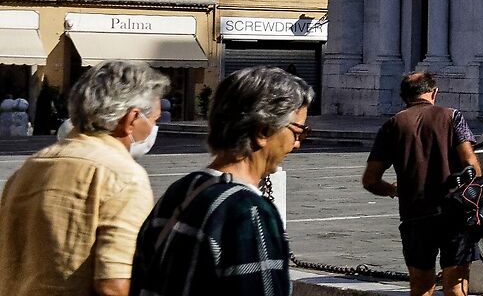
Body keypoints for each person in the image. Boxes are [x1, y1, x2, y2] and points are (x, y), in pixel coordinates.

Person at [129, 66, 310, 296]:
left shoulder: (181, 190)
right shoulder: (249, 212)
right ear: (263, 132)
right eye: (297, 132)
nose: (297, 144)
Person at [0, 61, 166, 296]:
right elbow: (115, 285)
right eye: (155, 120)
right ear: (132, 119)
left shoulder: (29, 168)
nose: (153, 128)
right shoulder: (122, 176)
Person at [363, 70, 483, 296]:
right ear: (434, 92)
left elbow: (370, 180)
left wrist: (394, 190)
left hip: (415, 215)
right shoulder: (451, 116)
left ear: (404, 96)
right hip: (454, 213)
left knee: (421, 287)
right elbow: (471, 164)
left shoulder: (392, 125)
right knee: (456, 287)